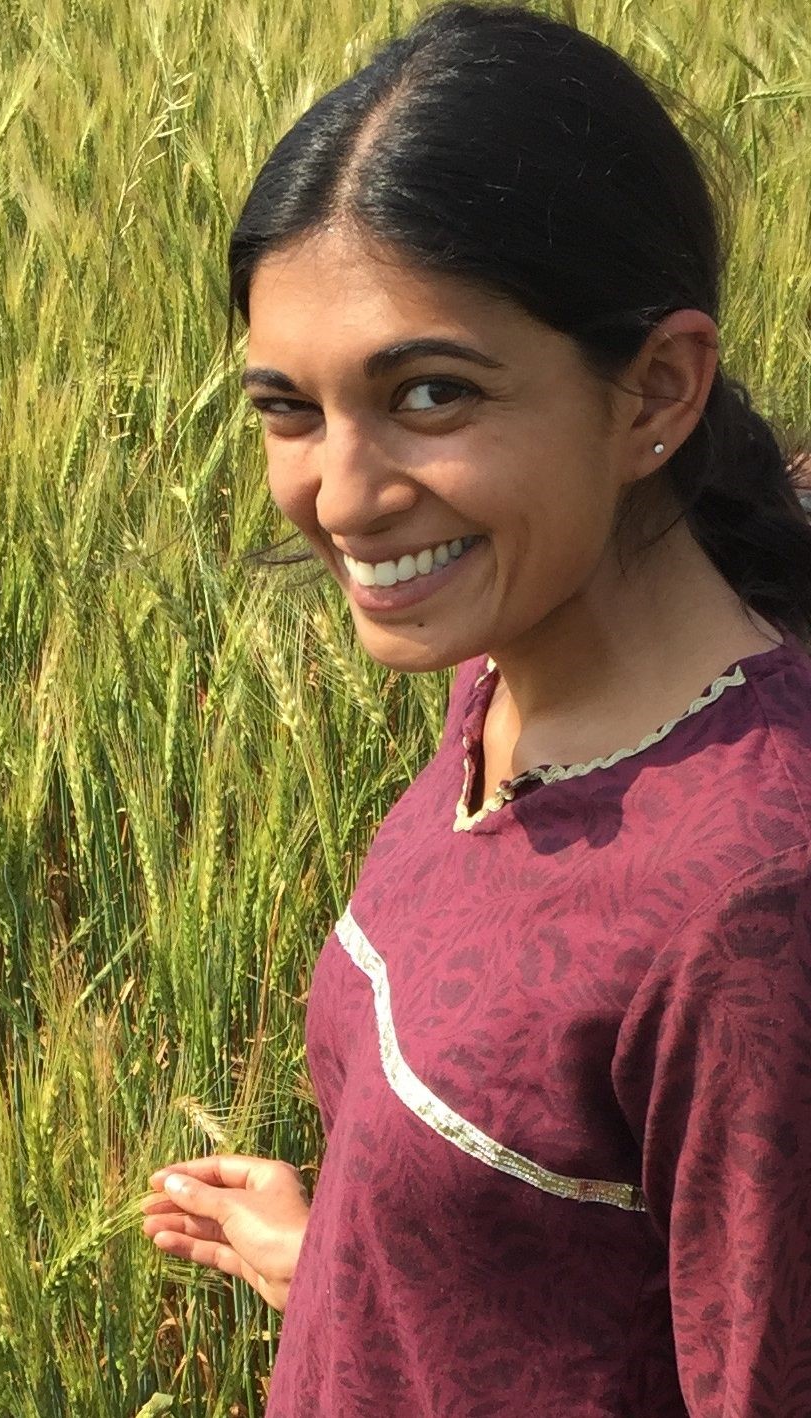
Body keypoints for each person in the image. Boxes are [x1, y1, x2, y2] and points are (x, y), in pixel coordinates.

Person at [138, 4, 811, 1414]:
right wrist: (353, 1251)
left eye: (429, 393)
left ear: (659, 390)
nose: (340, 492)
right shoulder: (501, 675)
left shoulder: (753, 908)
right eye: (289, 409)